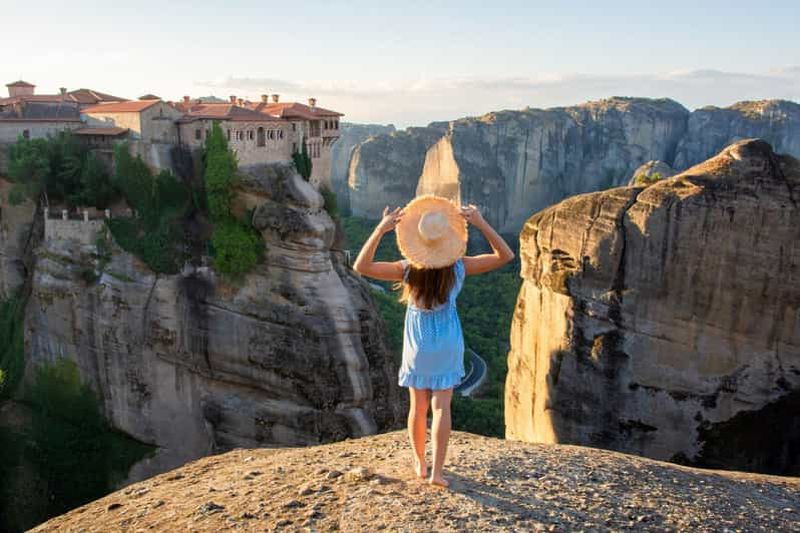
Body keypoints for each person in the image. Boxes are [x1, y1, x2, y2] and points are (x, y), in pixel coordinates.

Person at [352, 194, 514, 488]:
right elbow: (506, 256)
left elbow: (361, 267)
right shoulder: (459, 267)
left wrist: (380, 229)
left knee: (418, 407)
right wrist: (480, 223)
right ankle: (437, 472)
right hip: (449, 343)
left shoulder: (407, 269)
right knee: (442, 407)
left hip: (418, 344)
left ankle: (419, 462)